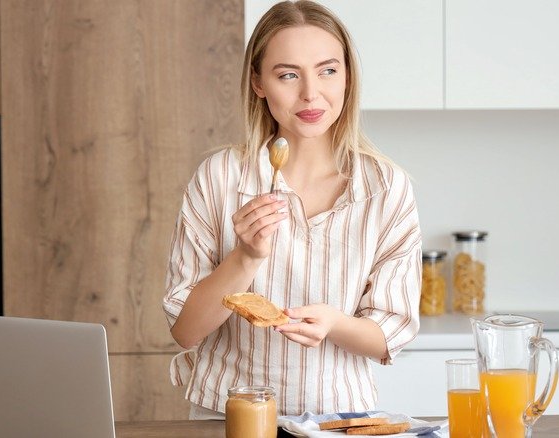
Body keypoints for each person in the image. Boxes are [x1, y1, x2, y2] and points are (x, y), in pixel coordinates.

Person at [162, 0, 421, 419]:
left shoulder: (386, 187)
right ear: (258, 83)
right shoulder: (219, 178)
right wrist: (245, 257)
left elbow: (389, 336)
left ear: (347, 78)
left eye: (328, 70)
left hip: (338, 418)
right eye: (288, 75)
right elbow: (185, 331)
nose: (310, 93)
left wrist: (334, 324)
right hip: (227, 413)